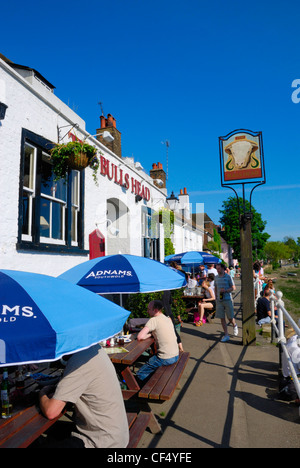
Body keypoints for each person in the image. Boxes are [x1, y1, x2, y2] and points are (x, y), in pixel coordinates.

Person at [39, 345, 129, 448]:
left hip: (102, 442)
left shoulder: (79, 362)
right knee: (53, 432)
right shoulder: (94, 349)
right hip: (115, 434)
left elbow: (51, 412)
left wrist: (42, 394)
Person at [136, 300, 179, 382]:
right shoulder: (167, 318)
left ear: (155, 310)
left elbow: (139, 337)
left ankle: (147, 390)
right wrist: (151, 334)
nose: (147, 311)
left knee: (140, 373)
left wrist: (147, 335)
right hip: (176, 355)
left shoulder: (154, 320)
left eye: (149, 309)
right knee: (151, 362)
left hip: (165, 357)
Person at [214, 263, 238, 342]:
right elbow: (216, 287)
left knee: (230, 317)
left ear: (223, 268)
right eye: (217, 269)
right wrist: (216, 297)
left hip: (227, 299)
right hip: (219, 300)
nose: (218, 270)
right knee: (222, 318)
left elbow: (233, 288)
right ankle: (226, 334)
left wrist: (226, 290)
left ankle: (234, 325)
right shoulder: (216, 277)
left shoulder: (228, 277)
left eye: (219, 269)